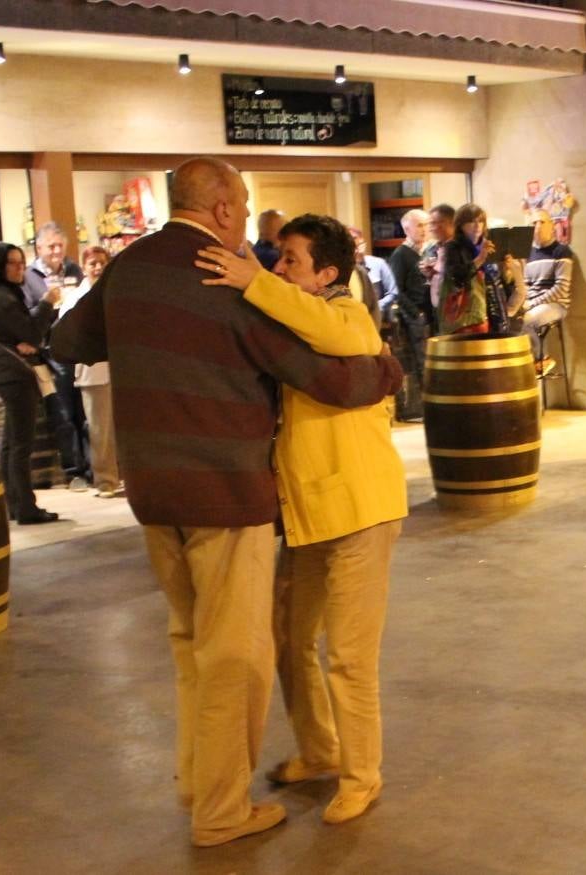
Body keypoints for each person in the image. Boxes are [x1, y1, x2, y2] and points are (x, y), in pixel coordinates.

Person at [51, 157, 401, 848]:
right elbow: (321, 374)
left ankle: (195, 777)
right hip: (225, 490)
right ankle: (219, 807)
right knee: (235, 653)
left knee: (188, 640)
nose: (247, 225)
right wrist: (387, 369)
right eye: (240, 207)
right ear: (217, 210)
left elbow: (68, 341)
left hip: (153, 491)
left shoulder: (130, 264)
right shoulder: (230, 278)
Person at [195, 214, 408, 825]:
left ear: (328, 274)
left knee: (347, 655)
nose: (279, 267)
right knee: (289, 640)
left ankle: (362, 775)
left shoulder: (348, 316)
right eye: (277, 257)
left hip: (361, 511)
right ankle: (319, 750)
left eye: (290, 260)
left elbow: (338, 334)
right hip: (311, 515)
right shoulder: (298, 325)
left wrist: (254, 280)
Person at [0, 243, 64, 525]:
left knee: (10, 445)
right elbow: (32, 331)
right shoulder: (3, 299)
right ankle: (26, 506)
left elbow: (27, 334)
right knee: (20, 445)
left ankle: (15, 504)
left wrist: (29, 336)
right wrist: (47, 304)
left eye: (21, 262)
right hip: (16, 374)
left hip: (7, 373)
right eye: (14, 264)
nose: (21, 269)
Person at [22, 222, 89, 490]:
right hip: (52, 352)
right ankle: (74, 471)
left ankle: (93, 467)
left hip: (79, 348)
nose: (57, 251)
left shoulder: (74, 269)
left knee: (85, 412)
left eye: (60, 245)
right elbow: (28, 317)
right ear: (39, 248)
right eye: (51, 246)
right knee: (64, 413)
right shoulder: (29, 277)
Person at [59, 246, 121, 498]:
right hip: (93, 372)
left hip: (119, 370)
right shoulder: (75, 297)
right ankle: (105, 480)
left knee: (121, 428)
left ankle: (122, 475)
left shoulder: (116, 292)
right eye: (93, 263)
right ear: (84, 267)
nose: (97, 267)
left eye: (102, 262)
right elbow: (67, 333)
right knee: (99, 430)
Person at [437, 203, 525, 336]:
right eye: (472, 221)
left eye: (480, 221)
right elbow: (457, 277)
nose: (477, 225)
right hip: (468, 317)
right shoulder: (453, 247)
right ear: (461, 224)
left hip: (495, 311)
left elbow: (502, 283)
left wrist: (506, 269)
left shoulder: (488, 245)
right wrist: (480, 258)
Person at [508, 209, 573, 373]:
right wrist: (522, 303)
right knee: (507, 320)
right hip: (532, 303)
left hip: (556, 304)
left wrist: (532, 303)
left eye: (542, 222)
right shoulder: (527, 253)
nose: (537, 226)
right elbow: (526, 284)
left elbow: (561, 288)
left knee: (526, 320)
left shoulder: (562, 251)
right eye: (533, 223)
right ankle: (521, 366)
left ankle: (541, 359)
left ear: (552, 226)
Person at [388, 209, 431, 417]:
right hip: (416, 315)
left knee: (432, 361)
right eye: (420, 225)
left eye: (426, 225)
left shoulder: (428, 251)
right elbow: (396, 289)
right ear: (407, 229)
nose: (425, 230)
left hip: (430, 312)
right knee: (422, 362)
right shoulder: (401, 255)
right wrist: (415, 314)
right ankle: (425, 408)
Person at [347, 227, 399, 327]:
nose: (356, 247)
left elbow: (393, 292)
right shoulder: (345, 270)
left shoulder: (379, 263)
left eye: (358, 241)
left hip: (380, 317)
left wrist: (378, 306)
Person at [422, 203, 456, 331]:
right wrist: (429, 274)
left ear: (450, 223)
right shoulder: (432, 248)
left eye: (434, 223)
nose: (430, 228)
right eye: (429, 224)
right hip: (435, 308)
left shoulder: (460, 249)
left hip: (455, 310)